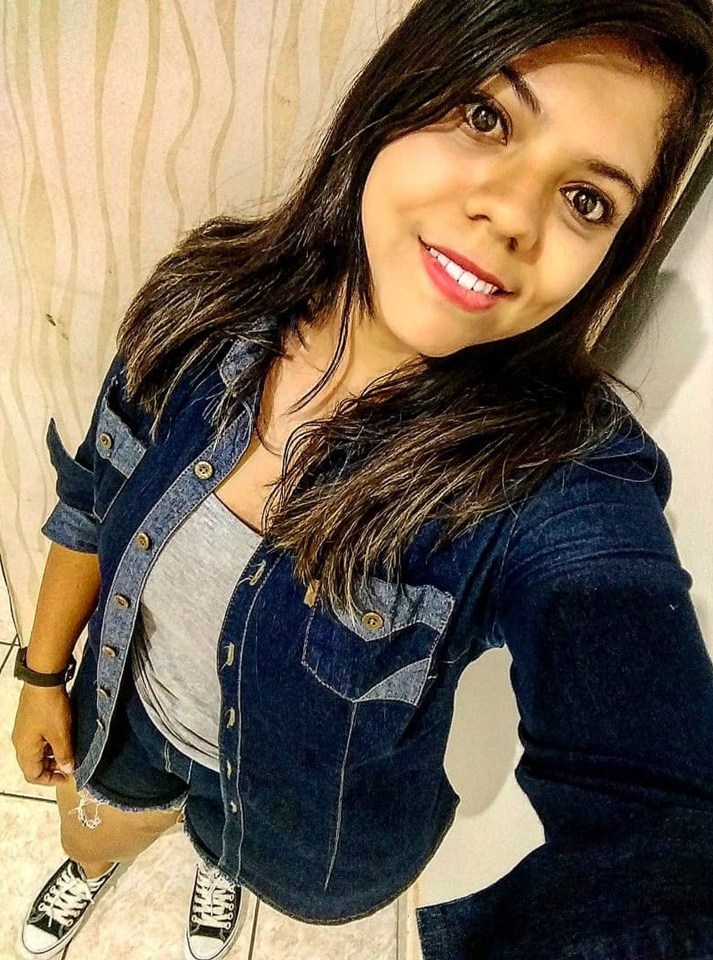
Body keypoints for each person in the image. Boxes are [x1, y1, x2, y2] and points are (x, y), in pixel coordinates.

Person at [11, 0, 713, 958]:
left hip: (293, 827)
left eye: (586, 200)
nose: (512, 214)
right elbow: (93, 501)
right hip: (126, 723)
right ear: (396, 96)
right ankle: (99, 864)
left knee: (227, 849)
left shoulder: (550, 482)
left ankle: (219, 862)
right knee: (92, 832)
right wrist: (42, 674)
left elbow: (662, 809)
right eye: (486, 117)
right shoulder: (201, 310)